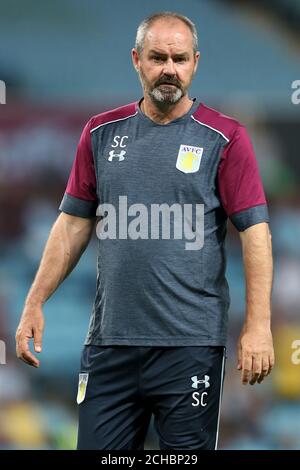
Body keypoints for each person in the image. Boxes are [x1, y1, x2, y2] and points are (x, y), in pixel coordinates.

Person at [15, 11, 275, 450]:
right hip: (109, 346)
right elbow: (73, 223)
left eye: (179, 58)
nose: (169, 69)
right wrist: (34, 302)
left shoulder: (226, 138)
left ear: (196, 61)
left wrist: (259, 325)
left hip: (190, 345)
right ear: (137, 59)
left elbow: (256, 233)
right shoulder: (99, 132)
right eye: (157, 57)